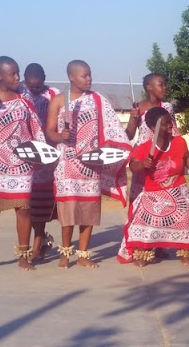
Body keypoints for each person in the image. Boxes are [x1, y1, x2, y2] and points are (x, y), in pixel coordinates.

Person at [46, 60, 131, 269]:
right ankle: (65, 253)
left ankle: (83, 254)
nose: (89, 79)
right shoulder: (58, 101)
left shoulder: (97, 100)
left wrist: (111, 148)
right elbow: (49, 131)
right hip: (66, 164)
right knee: (68, 210)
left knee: (88, 210)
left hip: (91, 164)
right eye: (85, 76)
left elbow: (112, 128)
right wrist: (59, 135)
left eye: (90, 75)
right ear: (71, 77)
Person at [0, 56, 46, 271]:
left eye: (18, 72)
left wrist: (39, 153)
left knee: (23, 208)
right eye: (12, 74)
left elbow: (34, 125)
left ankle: (24, 256)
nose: (17, 77)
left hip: (22, 161)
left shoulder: (23, 95)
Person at [123, 107, 189, 267]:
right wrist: (142, 164)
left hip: (178, 190)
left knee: (186, 208)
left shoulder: (179, 142)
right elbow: (132, 166)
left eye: (170, 122)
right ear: (152, 128)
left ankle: (185, 253)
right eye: (165, 124)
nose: (171, 126)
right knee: (147, 218)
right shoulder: (144, 147)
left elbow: (187, 158)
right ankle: (143, 253)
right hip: (153, 193)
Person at [117, 73, 181, 263]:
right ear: (149, 87)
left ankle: (158, 244)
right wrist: (132, 120)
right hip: (142, 159)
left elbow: (174, 131)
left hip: (162, 159)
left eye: (165, 84)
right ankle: (139, 246)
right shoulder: (138, 109)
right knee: (141, 205)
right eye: (161, 85)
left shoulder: (168, 107)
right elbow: (128, 135)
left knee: (161, 204)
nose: (164, 88)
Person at [20, 63, 60, 262]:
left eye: (38, 85)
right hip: (26, 156)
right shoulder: (19, 93)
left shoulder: (54, 94)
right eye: (30, 84)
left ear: (44, 77)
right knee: (28, 204)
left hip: (49, 157)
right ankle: (37, 240)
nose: (33, 88)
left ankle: (38, 242)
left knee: (43, 202)